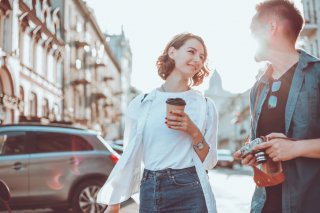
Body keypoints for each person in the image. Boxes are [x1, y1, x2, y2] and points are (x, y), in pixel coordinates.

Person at [97, 33, 218, 213]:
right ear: (172, 52)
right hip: (151, 188)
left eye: (202, 57)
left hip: (191, 189)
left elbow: (209, 162)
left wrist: (193, 132)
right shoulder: (141, 103)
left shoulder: (205, 106)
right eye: (191, 52)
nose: (197, 60)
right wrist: (114, 202)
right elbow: (130, 155)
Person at [234, 0, 320, 213]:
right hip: (264, 205)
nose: (250, 38)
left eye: (253, 31)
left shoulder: (317, 76)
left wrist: (297, 147)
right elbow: (262, 140)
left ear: (271, 27)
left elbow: (290, 147)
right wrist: (253, 151)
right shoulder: (258, 87)